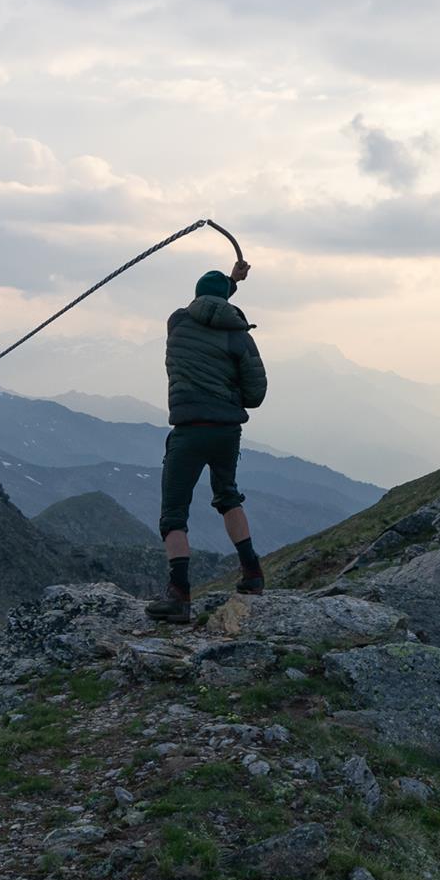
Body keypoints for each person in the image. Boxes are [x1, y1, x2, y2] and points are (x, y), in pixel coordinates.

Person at [146, 259, 267, 623]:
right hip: (227, 430)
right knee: (228, 496)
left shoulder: (178, 322)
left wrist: (228, 281)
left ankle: (179, 596)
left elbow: (206, 303)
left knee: (174, 514)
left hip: (188, 430)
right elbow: (256, 394)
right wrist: (233, 283)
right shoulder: (240, 336)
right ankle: (252, 573)